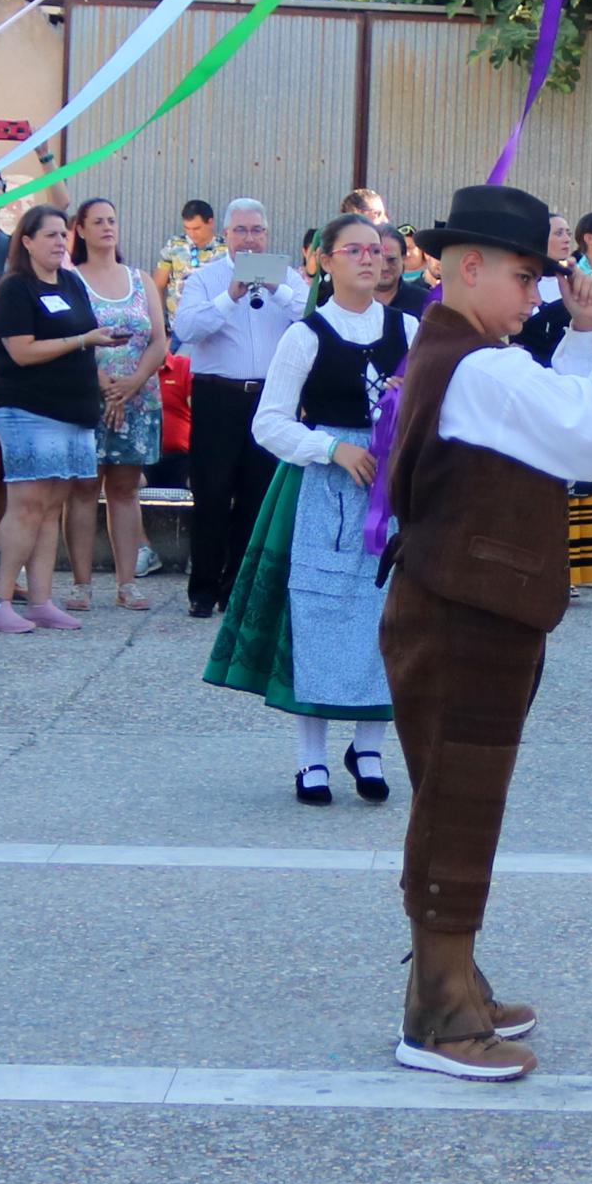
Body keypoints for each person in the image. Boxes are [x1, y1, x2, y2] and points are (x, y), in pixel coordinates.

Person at [379, 184, 592, 1080]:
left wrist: (591, 332)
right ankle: (437, 1016)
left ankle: (457, 981)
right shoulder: (476, 366)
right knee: (456, 805)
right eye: (523, 276)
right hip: (462, 611)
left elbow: (556, 414)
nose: (537, 295)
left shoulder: (469, 355)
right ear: (468, 268)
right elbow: (590, 430)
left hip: (469, 605)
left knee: (459, 799)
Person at [207, 215, 415, 802]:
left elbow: (442, 408)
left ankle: (370, 745)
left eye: (378, 251)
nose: (371, 260)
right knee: (320, 615)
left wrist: (412, 402)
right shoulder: (307, 335)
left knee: (389, 612)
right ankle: (309, 757)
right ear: (324, 261)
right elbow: (268, 422)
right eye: (355, 250)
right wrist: (331, 447)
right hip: (324, 494)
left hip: (393, 490)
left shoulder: (410, 329)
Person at [0, 206, 104, 633]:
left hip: (74, 411)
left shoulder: (70, 282)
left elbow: (84, 332)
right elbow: (21, 351)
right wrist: (82, 339)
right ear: (26, 241)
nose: (58, 242)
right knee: (27, 506)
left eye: (61, 235)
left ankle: (40, 600)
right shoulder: (16, 288)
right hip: (30, 411)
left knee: (52, 508)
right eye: (48, 235)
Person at [174, 196, 298, 618]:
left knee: (256, 498)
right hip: (218, 395)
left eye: (257, 231)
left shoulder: (289, 278)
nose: (250, 239)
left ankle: (238, 592)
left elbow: (312, 318)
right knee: (210, 494)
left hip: (269, 398)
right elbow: (187, 328)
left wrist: (278, 291)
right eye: (241, 231)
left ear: (267, 234)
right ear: (226, 234)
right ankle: (203, 591)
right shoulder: (205, 279)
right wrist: (230, 296)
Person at [75, 197, 162, 610]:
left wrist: (134, 381)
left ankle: (127, 583)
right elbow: (69, 337)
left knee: (125, 490)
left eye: (112, 220)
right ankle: (81, 584)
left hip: (138, 397)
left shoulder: (140, 278)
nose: (107, 227)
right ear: (81, 230)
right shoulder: (72, 279)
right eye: (98, 221)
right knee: (84, 488)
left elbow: (160, 339)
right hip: (89, 395)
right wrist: (104, 384)